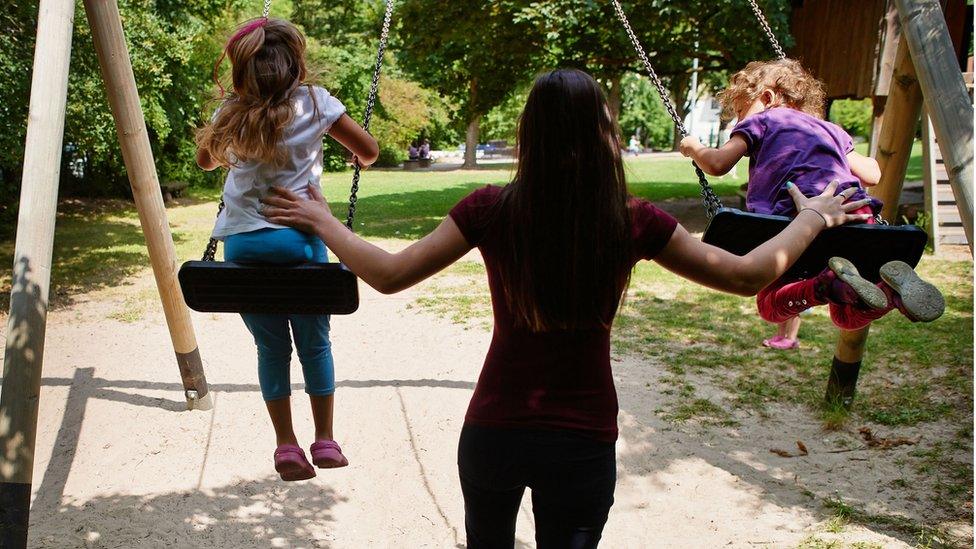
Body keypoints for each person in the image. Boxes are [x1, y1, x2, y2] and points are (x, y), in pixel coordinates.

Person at [263, 68, 869, 546]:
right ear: (603, 134)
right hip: (582, 439)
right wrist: (813, 217)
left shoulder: (490, 209)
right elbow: (747, 275)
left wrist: (322, 219)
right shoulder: (632, 221)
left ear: (529, 136)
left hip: (494, 431)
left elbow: (391, 275)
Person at [194, 17, 379, 481]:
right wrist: (354, 155)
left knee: (270, 348)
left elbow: (204, 161)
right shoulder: (316, 102)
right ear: (295, 65)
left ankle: (286, 447)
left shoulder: (232, 110)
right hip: (298, 238)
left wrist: (232, 135)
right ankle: (325, 440)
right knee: (315, 344)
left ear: (244, 71)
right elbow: (370, 150)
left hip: (243, 246)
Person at [679, 58, 944, 340]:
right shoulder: (829, 129)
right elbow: (873, 173)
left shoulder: (762, 121)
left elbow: (718, 164)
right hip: (854, 215)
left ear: (767, 98)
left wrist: (694, 148)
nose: (739, 120)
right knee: (845, 313)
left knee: (769, 303)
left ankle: (824, 286)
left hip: (799, 220)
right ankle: (890, 293)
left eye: (741, 111)